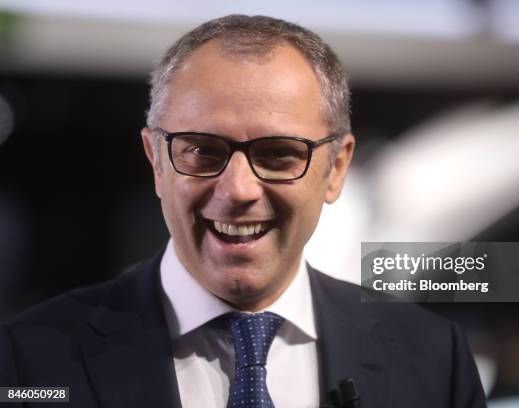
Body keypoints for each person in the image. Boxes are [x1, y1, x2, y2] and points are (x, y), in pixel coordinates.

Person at [0, 15, 486, 408]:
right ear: (156, 161)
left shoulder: (433, 359)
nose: (237, 189)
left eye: (278, 154)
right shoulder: (26, 361)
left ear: (336, 169)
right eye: (202, 151)